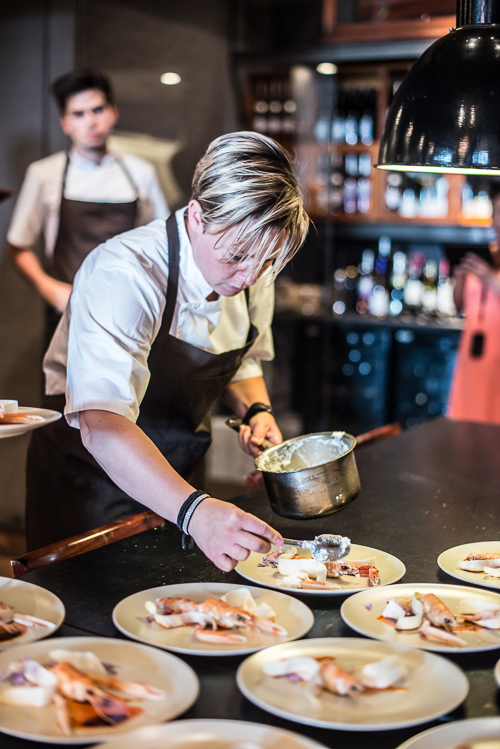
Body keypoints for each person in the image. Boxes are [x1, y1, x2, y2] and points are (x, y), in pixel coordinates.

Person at [26, 130, 310, 571]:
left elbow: (244, 357)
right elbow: (101, 423)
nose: (250, 277)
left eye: (267, 262)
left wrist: (257, 410)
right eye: (236, 257)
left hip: (184, 484)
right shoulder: (125, 273)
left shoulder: (255, 263)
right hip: (93, 484)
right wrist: (196, 512)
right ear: (197, 216)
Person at [6, 68, 168, 343]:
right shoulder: (44, 174)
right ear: (64, 123)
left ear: (113, 113)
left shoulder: (141, 173)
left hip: (128, 312)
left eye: (97, 110)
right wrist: (50, 290)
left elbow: (162, 244)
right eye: (78, 114)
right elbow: (17, 247)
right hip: (66, 314)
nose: (90, 122)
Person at [448, 183, 500, 423]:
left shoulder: (487, 267)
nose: (496, 220)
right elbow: (458, 305)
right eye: (496, 213)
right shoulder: (483, 254)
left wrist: (490, 277)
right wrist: (459, 278)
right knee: (466, 424)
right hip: (473, 354)